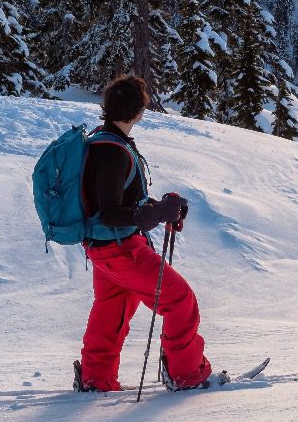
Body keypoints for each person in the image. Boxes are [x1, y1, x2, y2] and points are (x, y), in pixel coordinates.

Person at [75, 74, 218, 392]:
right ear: (138, 111)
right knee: (180, 300)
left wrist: (159, 207)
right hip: (121, 248)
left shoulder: (106, 142)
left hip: (104, 250)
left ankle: (95, 379)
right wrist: (152, 214)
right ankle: (186, 373)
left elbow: (121, 202)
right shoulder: (112, 151)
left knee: (112, 312)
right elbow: (110, 212)